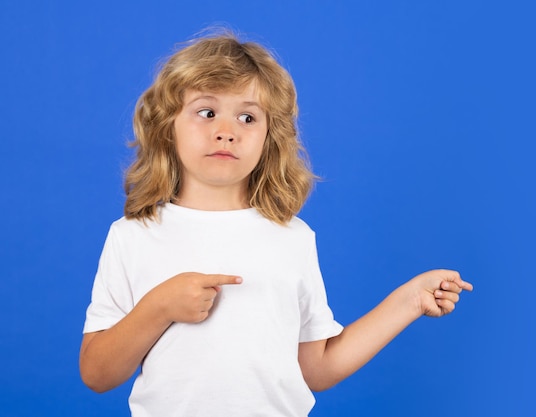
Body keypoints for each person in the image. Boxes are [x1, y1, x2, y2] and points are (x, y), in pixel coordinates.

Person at [80, 31, 473, 417]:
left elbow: (316, 369)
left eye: (247, 117)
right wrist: (158, 307)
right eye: (207, 112)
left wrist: (407, 302)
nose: (226, 131)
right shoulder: (132, 236)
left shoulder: (293, 239)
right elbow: (97, 374)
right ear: (168, 126)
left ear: (270, 137)